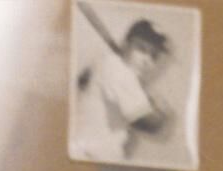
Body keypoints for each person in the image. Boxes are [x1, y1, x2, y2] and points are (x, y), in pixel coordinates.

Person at [71, 15, 172, 162]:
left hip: (85, 150)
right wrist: (164, 112)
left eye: (154, 56)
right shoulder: (122, 72)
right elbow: (150, 124)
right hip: (93, 155)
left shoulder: (106, 61)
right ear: (125, 44)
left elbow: (81, 81)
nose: (147, 61)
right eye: (141, 49)